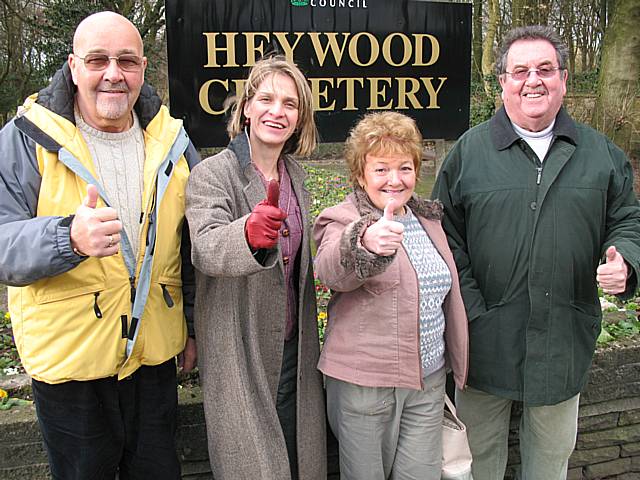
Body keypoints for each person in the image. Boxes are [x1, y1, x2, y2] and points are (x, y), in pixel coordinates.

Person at [432, 25, 640, 480]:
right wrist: (473, 310)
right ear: (502, 82)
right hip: (483, 340)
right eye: (520, 70)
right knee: (476, 462)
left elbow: (628, 219)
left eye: (545, 69)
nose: (533, 80)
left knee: (550, 462)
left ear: (563, 79)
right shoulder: (469, 153)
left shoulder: (601, 154)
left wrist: (624, 256)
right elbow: (444, 237)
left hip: (563, 335)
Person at [0, 11, 199, 479]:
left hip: (153, 358)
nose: (113, 73)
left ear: (144, 69)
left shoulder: (173, 139)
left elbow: (188, 245)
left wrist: (191, 324)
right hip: (71, 364)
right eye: (98, 60)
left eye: (126, 61)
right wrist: (65, 236)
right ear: (73, 66)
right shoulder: (27, 138)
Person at [185, 55, 326, 480]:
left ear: (300, 117)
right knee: (255, 468)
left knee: (298, 460)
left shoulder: (296, 176)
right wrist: (247, 233)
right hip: (239, 346)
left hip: (293, 348)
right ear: (245, 107)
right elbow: (205, 247)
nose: (277, 111)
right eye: (266, 99)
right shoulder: (212, 174)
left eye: (289, 103)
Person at [313, 111, 469, 479]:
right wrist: (364, 242)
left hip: (427, 384)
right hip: (365, 388)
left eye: (404, 168)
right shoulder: (341, 219)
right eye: (381, 169)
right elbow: (330, 269)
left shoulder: (429, 220)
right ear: (360, 174)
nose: (394, 180)